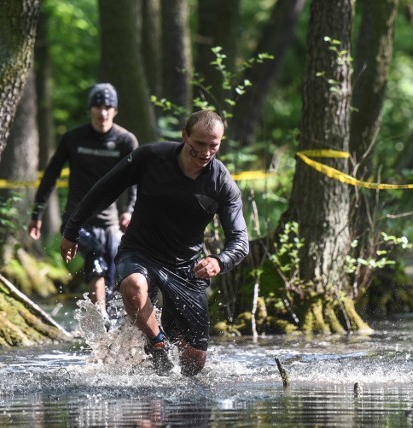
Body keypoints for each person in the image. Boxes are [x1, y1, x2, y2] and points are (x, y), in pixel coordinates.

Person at [59, 110, 249, 376]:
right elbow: (104, 189)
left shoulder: (222, 184)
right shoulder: (151, 157)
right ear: (185, 136)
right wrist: (72, 229)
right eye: (199, 144)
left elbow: (240, 241)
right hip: (140, 251)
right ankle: (157, 343)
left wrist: (219, 261)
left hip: (186, 266)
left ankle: (165, 349)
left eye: (213, 145)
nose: (206, 152)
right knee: (134, 285)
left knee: (193, 365)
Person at [28, 83, 138, 318]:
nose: (103, 112)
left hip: (110, 223)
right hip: (76, 221)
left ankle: (114, 324)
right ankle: (100, 323)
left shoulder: (125, 141)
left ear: (115, 110)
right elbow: (50, 177)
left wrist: (129, 211)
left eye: (108, 107)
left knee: (117, 271)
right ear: (90, 109)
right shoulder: (73, 139)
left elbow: (137, 182)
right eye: (98, 106)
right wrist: (37, 214)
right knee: (96, 257)